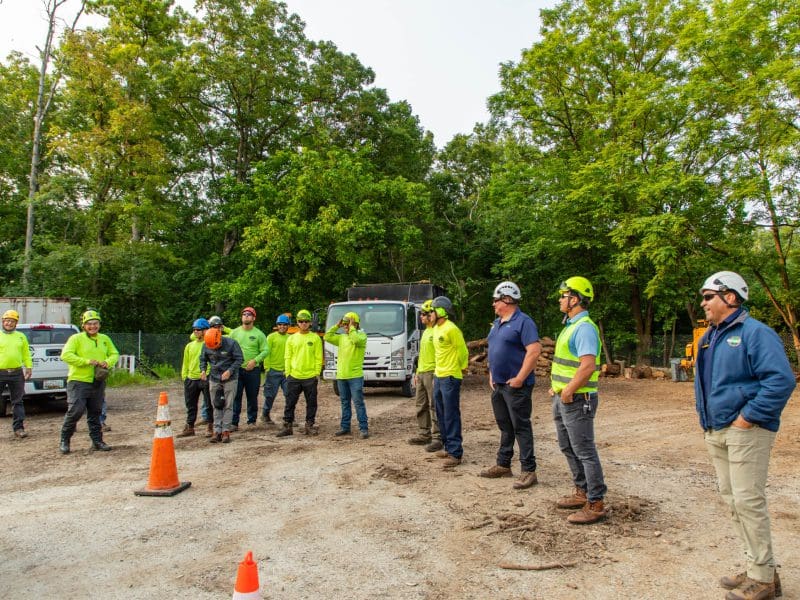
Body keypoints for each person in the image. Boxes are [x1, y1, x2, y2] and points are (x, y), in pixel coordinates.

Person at [695, 271, 794, 600]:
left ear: (731, 297)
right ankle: (759, 569)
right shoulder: (709, 337)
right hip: (716, 429)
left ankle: (763, 579)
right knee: (733, 501)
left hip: (746, 431)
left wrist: (747, 418)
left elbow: (780, 380)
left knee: (749, 502)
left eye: (709, 296)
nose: (704, 302)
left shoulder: (756, 333)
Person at [549, 277, 607, 524]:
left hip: (577, 399)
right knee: (568, 447)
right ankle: (581, 492)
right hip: (565, 397)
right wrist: (558, 389)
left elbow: (587, 366)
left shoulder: (584, 327)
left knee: (584, 451)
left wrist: (568, 390)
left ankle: (595, 503)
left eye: (564, 295)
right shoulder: (571, 325)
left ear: (575, 298)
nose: (561, 300)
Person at [481, 281, 542, 490]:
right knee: (504, 425)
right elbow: (494, 349)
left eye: (496, 300)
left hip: (516, 386)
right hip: (498, 384)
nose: (493, 304)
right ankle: (503, 464)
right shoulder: (497, 323)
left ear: (507, 299)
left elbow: (534, 350)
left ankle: (528, 470)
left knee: (520, 426)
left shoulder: (524, 322)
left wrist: (520, 378)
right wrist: (491, 373)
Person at [59, 309, 119, 454]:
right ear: (84, 325)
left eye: (95, 323)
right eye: (89, 324)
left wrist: (107, 362)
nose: (93, 326)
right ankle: (64, 440)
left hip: (97, 381)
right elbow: (66, 355)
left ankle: (97, 441)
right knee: (75, 411)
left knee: (96, 411)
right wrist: (86, 361)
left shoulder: (104, 338)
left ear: (99, 324)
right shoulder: (76, 339)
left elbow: (114, 353)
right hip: (78, 381)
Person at [430, 296, 469, 469]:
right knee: (440, 412)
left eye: (432, 310)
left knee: (451, 414)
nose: (429, 314)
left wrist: (460, 368)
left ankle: (455, 453)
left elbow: (463, 351)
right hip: (439, 376)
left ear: (440, 311)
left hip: (450, 377)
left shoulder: (452, 329)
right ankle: (447, 446)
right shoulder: (436, 329)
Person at [278, 309, 322, 438]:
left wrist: (316, 373)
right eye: (301, 321)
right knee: (290, 402)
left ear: (310, 323)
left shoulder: (315, 338)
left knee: (312, 403)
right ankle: (287, 426)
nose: (303, 323)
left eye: (306, 321)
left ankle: (309, 425)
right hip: (294, 376)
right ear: (297, 322)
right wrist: (288, 373)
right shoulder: (292, 338)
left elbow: (318, 357)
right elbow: (288, 356)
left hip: (310, 376)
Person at [325, 311, 369, 439]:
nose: (345, 326)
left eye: (347, 324)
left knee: (358, 402)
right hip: (342, 376)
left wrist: (352, 328)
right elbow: (327, 337)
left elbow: (355, 339)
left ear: (355, 324)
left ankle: (364, 428)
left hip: (355, 376)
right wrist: (336, 326)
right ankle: (345, 427)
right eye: (344, 324)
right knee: (344, 402)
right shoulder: (342, 338)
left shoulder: (361, 336)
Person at [407, 300, 442, 451]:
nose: (421, 316)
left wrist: (437, 374)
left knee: (434, 406)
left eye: (423, 314)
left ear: (431, 315)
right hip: (421, 372)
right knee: (420, 404)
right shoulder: (426, 331)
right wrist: (416, 372)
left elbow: (441, 354)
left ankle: (438, 437)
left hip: (432, 373)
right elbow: (422, 354)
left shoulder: (437, 331)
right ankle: (424, 434)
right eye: (421, 314)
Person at [200, 326, 243, 443]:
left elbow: (239, 359)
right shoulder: (206, 344)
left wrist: (230, 371)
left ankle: (226, 431)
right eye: (211, 348)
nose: (214, 349)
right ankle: (217, 431)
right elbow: (203, 359)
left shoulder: (232, 343)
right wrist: (203, 370)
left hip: (230, 379)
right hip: (214, 378)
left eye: (216, 346)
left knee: (228, 405)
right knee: (217, 405)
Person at [229, 307, 268, 430]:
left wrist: (255, 360)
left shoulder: (259, 334)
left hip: (253, 371)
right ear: (241, 317)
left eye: (249, 314)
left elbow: (266, 350)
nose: (246, 316)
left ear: (254, 318)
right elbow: (228, 349)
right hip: (237, 370)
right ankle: (234, 423)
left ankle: (251, 421)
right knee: (236, 396)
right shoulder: (234, 333)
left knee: (252, 396)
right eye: (244, 314)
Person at [0, 309, 32, 438]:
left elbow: (26, 353)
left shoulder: (21, 336)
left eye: (12, 321)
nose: (9, 323)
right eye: (7, 320)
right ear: (3, 321)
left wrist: (29, 367)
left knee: (17, 401)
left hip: (17, 373)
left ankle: (18, 428)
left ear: (16, 323)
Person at [178, 318, 212, 438]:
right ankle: (190, 427)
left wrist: (208, 374)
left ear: (206, 330)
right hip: (191, 379)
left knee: (209, 404)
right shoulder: (189, 346)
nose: (196, 331)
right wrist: (185, 376)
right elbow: (186, 362)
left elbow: (212, 361)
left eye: (199, 329)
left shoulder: (210, 344)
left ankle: (210, 426)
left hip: (205, 378)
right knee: (190, 404)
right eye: (194, 329)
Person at [261, 314, 291, 425]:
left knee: (289, 395)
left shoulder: (290, 338)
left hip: (286, 371)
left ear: (288, 326)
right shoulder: (271, 337)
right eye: (280, 325)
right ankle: (265, 414)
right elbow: (266, 353)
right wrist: (267, 368)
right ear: (277, 326)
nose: (282, 327)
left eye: (284, 325)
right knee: (270, 395)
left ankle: (289, 417)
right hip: (273, 370)